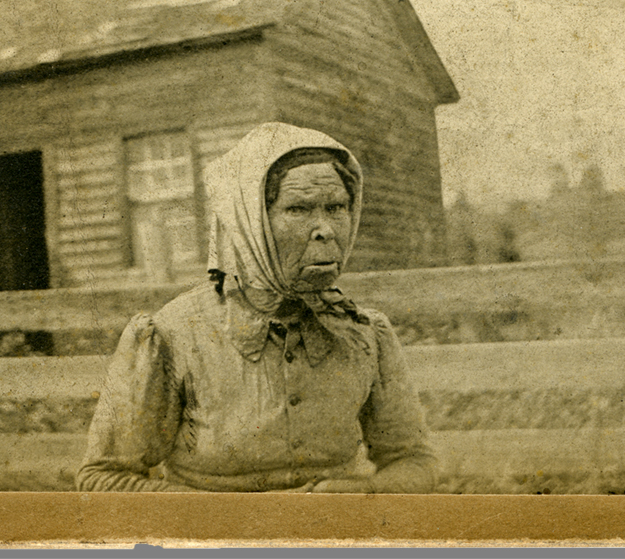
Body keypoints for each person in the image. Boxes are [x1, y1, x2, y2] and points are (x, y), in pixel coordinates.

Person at [77, 123, 436, 493]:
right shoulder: (172, 336)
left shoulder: (366, 333)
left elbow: (414, 462)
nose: (325, 229)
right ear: (249, 223)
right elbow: (102, 480)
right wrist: (240, 521)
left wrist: (366, 494)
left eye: (336, 207)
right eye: (298, 209)